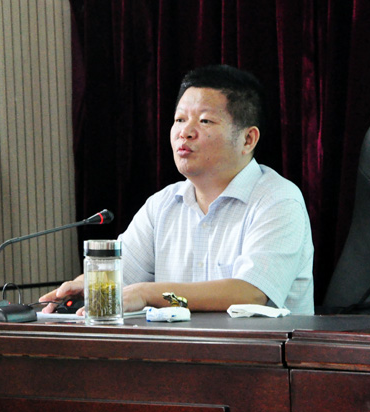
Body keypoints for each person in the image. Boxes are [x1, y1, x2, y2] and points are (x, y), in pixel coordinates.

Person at [40, 64, 314, 315]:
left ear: (248, 139)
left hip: (260, 352)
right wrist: (86, 286)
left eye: (205, 121)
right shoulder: (162, 205)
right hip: (176, 351)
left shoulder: (278, 199)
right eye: (180, 119)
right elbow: (122, 275)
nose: (185, 132)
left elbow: (251, 293)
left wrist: (148, 294)